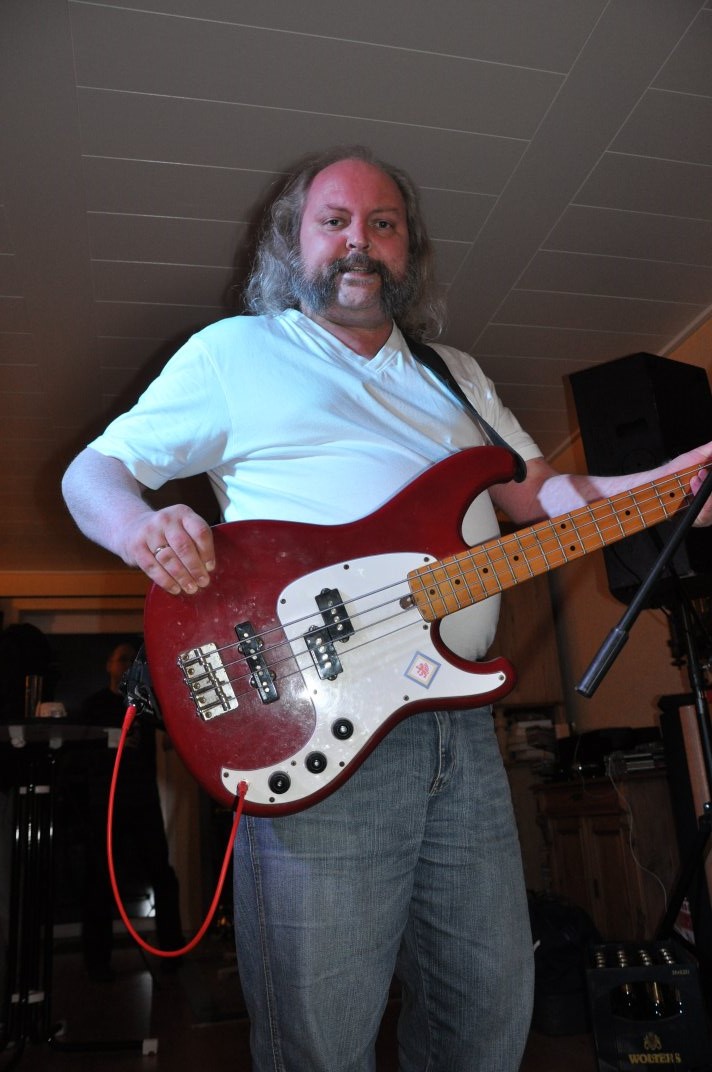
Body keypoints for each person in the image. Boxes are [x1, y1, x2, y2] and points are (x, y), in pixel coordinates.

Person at [61, 145, 712, 1070]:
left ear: (409, 249)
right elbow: (93, 473)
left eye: (383, 223)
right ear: (292, 244)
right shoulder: (236, 353)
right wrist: (140, 526)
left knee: (484, 1013)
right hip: (314, 722)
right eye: (334, 222)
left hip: (461, 727)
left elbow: (545, 496)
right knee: (322, 1039)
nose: (358, 241)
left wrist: (679, 483)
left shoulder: (454, 374)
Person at [73, 641, 184, 980]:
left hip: (143, 801)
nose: (126, 665)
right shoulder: (93, 706)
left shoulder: (145, 704)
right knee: (100, 880)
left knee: (162, 875)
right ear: (108, 665)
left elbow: (175, 728)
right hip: (105, 805)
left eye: (131, 661)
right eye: (121, 659)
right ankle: (97, 963)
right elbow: (77, 753)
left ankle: (172, 953)